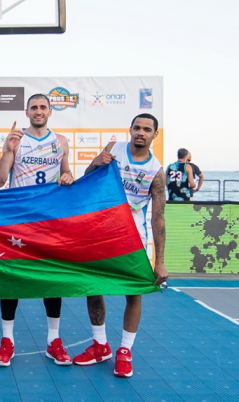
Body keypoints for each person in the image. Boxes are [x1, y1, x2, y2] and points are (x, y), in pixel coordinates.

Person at [75, 113, 168, 378]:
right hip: (101, 232)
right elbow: (86, 180)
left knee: (133, 292)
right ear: (130, 129)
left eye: (147, 129)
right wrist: (94, 163)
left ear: (154, 135)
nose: (141, 132)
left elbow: (158, 219)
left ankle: (125, 351)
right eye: (137, 127)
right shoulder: (113, 150)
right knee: (93, 286)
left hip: (132, 238)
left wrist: (159, 260)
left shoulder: (156, 172)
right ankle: (100, 345)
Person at [0, 93, 75, 367]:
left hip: (48, 221)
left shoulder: (60, 141)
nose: (38, 111)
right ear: (26, 112)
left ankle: (54, 340)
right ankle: (7, 341)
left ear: (50, 111)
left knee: (50, 279)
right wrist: (8, 151)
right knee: (11, 280)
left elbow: (67, 175)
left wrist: (67, 177)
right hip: (17, 221)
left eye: (43, 107)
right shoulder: (16, 139)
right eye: (34, 108)